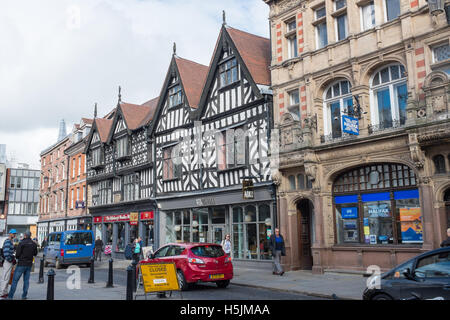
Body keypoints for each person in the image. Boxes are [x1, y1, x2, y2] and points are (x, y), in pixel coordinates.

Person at [8, 231, 37, 300]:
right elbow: (35, 253)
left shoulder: (21, 243)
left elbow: (17, 254)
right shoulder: (33, 244)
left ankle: (10, 296)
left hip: (21, 264)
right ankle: (24, 296)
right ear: (30, 236)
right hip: (29, 264)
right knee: (26, 281)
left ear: (25, 235)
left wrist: (19, 258)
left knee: (15, 280)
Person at [1, 229, 17, 299]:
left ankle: (5, 292)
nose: (14, 235)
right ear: (10, 233)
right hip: (8, 262)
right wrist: (11, 260)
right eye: (13, 233)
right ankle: (2, 293)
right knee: (5, 278)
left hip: (9, 261)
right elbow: (6, 253)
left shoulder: (10, 241)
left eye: (15, 234)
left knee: (7, 278)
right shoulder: (8, 241)